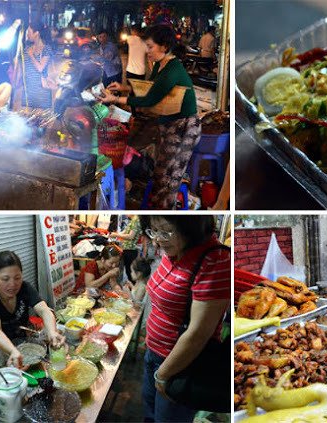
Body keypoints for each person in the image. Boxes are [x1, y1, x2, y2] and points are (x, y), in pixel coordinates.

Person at [139, 215, 229, 422]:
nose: (157, 240)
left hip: (180, 367)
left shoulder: (215, 260)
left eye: (165, 231)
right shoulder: (175, 250)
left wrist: (163, 374)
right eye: (154, 231)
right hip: (153, 353)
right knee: (149, 414)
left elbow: (198, 333)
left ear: (192, 227)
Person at [101, 25, 201, 209]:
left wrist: (114, 99)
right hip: (168, 124)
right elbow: (148, 87)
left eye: (150, 47)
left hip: (184, 127)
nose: (147, 51)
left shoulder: (173, 70)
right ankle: (156, 207)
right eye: (146, 46)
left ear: (164, 46)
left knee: (169, 177)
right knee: (160, 172)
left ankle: (165, 213)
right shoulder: (159, 66)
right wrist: (123, 88)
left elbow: (149, 99)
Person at [0, 251, 65, 368]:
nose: (13, 284)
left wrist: (52, 331)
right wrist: (12, 351)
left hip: (22, 345)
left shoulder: (25, 288)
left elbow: (44, 310)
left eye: (17, 278)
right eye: (5, 279)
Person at [21, 21, 54, 108]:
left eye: (29, 32)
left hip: (41, 94)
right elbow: (22, 68)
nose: (27, 35)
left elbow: (40, 68)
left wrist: (31, 55)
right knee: (26, 120)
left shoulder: (46, 49)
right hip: (27, 93)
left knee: (42, 121)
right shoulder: (27, 49)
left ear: (37, 33)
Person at [111, 215, 142, 280]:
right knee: (128, 271)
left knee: (130, 272)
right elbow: (124, 232)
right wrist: (116, 234)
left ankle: (132, 287)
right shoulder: (133, 220)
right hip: (127, 249)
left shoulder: (135, 220)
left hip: (130, 250)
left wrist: (116, 235)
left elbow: (131, 236)